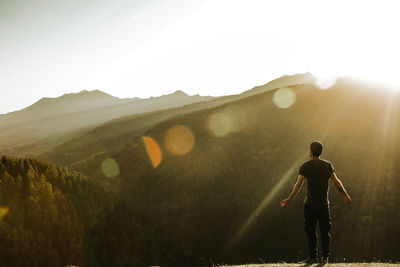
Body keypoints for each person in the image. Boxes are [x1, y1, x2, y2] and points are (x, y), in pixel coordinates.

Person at [280, 141, 351, 265]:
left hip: (310, 205)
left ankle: (313, 257)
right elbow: (337, 182)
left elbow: (298, 185)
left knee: (311, 232)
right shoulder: (327, 165)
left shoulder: (305, 166)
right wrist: (345, 195)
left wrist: (289, 199)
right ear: (322, 152)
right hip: (324, 205)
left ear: (310, 152)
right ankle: (325, 258)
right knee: (325, 232)